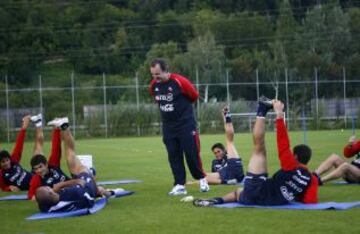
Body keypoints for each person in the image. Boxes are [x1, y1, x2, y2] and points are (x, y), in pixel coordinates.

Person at [193, 98, 318, 207]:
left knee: (259, 148)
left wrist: (279, 116)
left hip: (257, 188)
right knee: (238, 192)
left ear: (295, 156)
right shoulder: (311, 179)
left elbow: (283, 145)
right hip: (265, 200)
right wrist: (294, 193)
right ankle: (215, 200)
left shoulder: (292, 165)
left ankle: (262, 110)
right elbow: (310, 201)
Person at [149, 58, 209, 195]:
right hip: (169, 127)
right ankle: (179, 185)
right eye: (152, 74)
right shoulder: (154, 85)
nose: (155, 77)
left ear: (166, 70)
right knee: (173, 155)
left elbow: (194, 96)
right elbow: (156, 98)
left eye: (157, 74)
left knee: (191, 153)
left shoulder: (180, 81)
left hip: (186, 124)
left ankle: (202, 179)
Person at [35, 117, 98, 212]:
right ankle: (64, 126)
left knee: (70, 156)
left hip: (82, 191)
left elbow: (43, 200)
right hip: (87, 186)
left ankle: (63, 126)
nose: (51, 187)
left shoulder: (46, 206)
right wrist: (61, 185)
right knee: (70, 154)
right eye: (49, 188)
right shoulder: (70, 193)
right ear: (51, 193)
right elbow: (81, 183)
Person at [189, 106, 244, 185]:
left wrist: (192, 183)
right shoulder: (216, 163)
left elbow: (228, 134)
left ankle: (228, 117)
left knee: (229, 140)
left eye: (218, 151)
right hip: (236, 170)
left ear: (224, 150)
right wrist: (225, 117)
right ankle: (228, 117)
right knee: (230, 140)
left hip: (232, 170)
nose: (217, 154)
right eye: (215, 153)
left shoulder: (226, 157)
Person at [27, 114, 70, 200]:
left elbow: (56, 148)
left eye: (40, 167)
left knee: (39, 146)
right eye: (36, 169)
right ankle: (38, 123)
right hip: (65, 193)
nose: (38, 170)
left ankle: (40, 123)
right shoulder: (36, 178)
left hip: (71, 185)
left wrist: (56, 130)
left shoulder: (52, 165)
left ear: (46, 164)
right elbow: (30, 195)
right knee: (38, 147)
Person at [0, 116, 33, 191]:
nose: (6, 163)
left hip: (34, 178)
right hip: (28, 188)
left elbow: (19, 144)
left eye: (7, 160)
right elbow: (3, 187)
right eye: (3, 162)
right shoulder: (1, 175)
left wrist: (24, 127)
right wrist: (9, 188)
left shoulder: (14, 160)